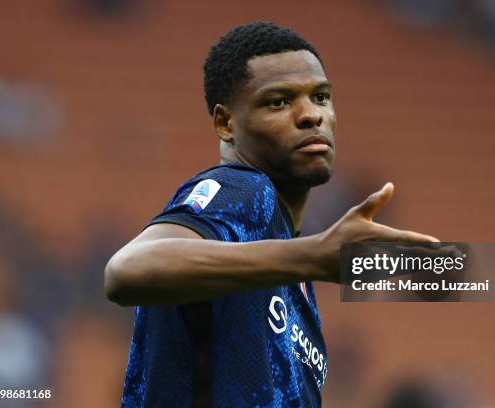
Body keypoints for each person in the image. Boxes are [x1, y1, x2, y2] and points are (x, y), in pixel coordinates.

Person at [104, 21, 438, 407]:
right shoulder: (244, 189)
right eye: (278, 101)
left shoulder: (291, 275)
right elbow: (127, 271)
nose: (312, 115)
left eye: (321, 97)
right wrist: (311, 256)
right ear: (226, 123)